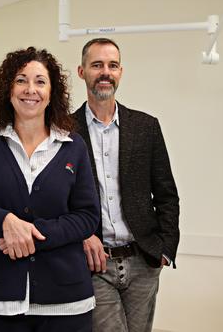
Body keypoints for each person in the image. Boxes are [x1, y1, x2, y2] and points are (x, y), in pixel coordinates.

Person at [0, 47, 100, 332]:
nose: (31, 90)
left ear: (52, 92)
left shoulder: (72, 145)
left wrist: (32, 235)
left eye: (40, 81)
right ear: (8, 88)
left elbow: (88, 216)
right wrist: (4, 222)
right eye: (21, 80)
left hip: (66, 301)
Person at [72, 38, 180, 332]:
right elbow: (59, 200)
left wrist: (165, 249)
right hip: (93, 263)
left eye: (112, 65)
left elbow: (167, 194)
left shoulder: (146, 127)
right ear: (82, 72)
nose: (105, 72)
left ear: (120, 72)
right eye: (97, 65)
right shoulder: (64, 131)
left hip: (142, 261)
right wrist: (81, 236)